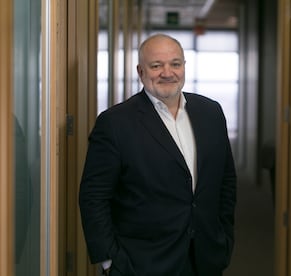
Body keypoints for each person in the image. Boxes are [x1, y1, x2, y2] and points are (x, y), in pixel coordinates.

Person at [79, 33, 237, 276]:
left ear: (184, 66)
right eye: (156, 66)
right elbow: (94, 197)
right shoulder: (115, 123)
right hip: (141, 263)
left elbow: (226, 182)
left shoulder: (211, 113)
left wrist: (224, 238)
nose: (167, 72)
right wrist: (110, 261)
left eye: (175, 64)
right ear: (140, 71)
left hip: (205, 258)